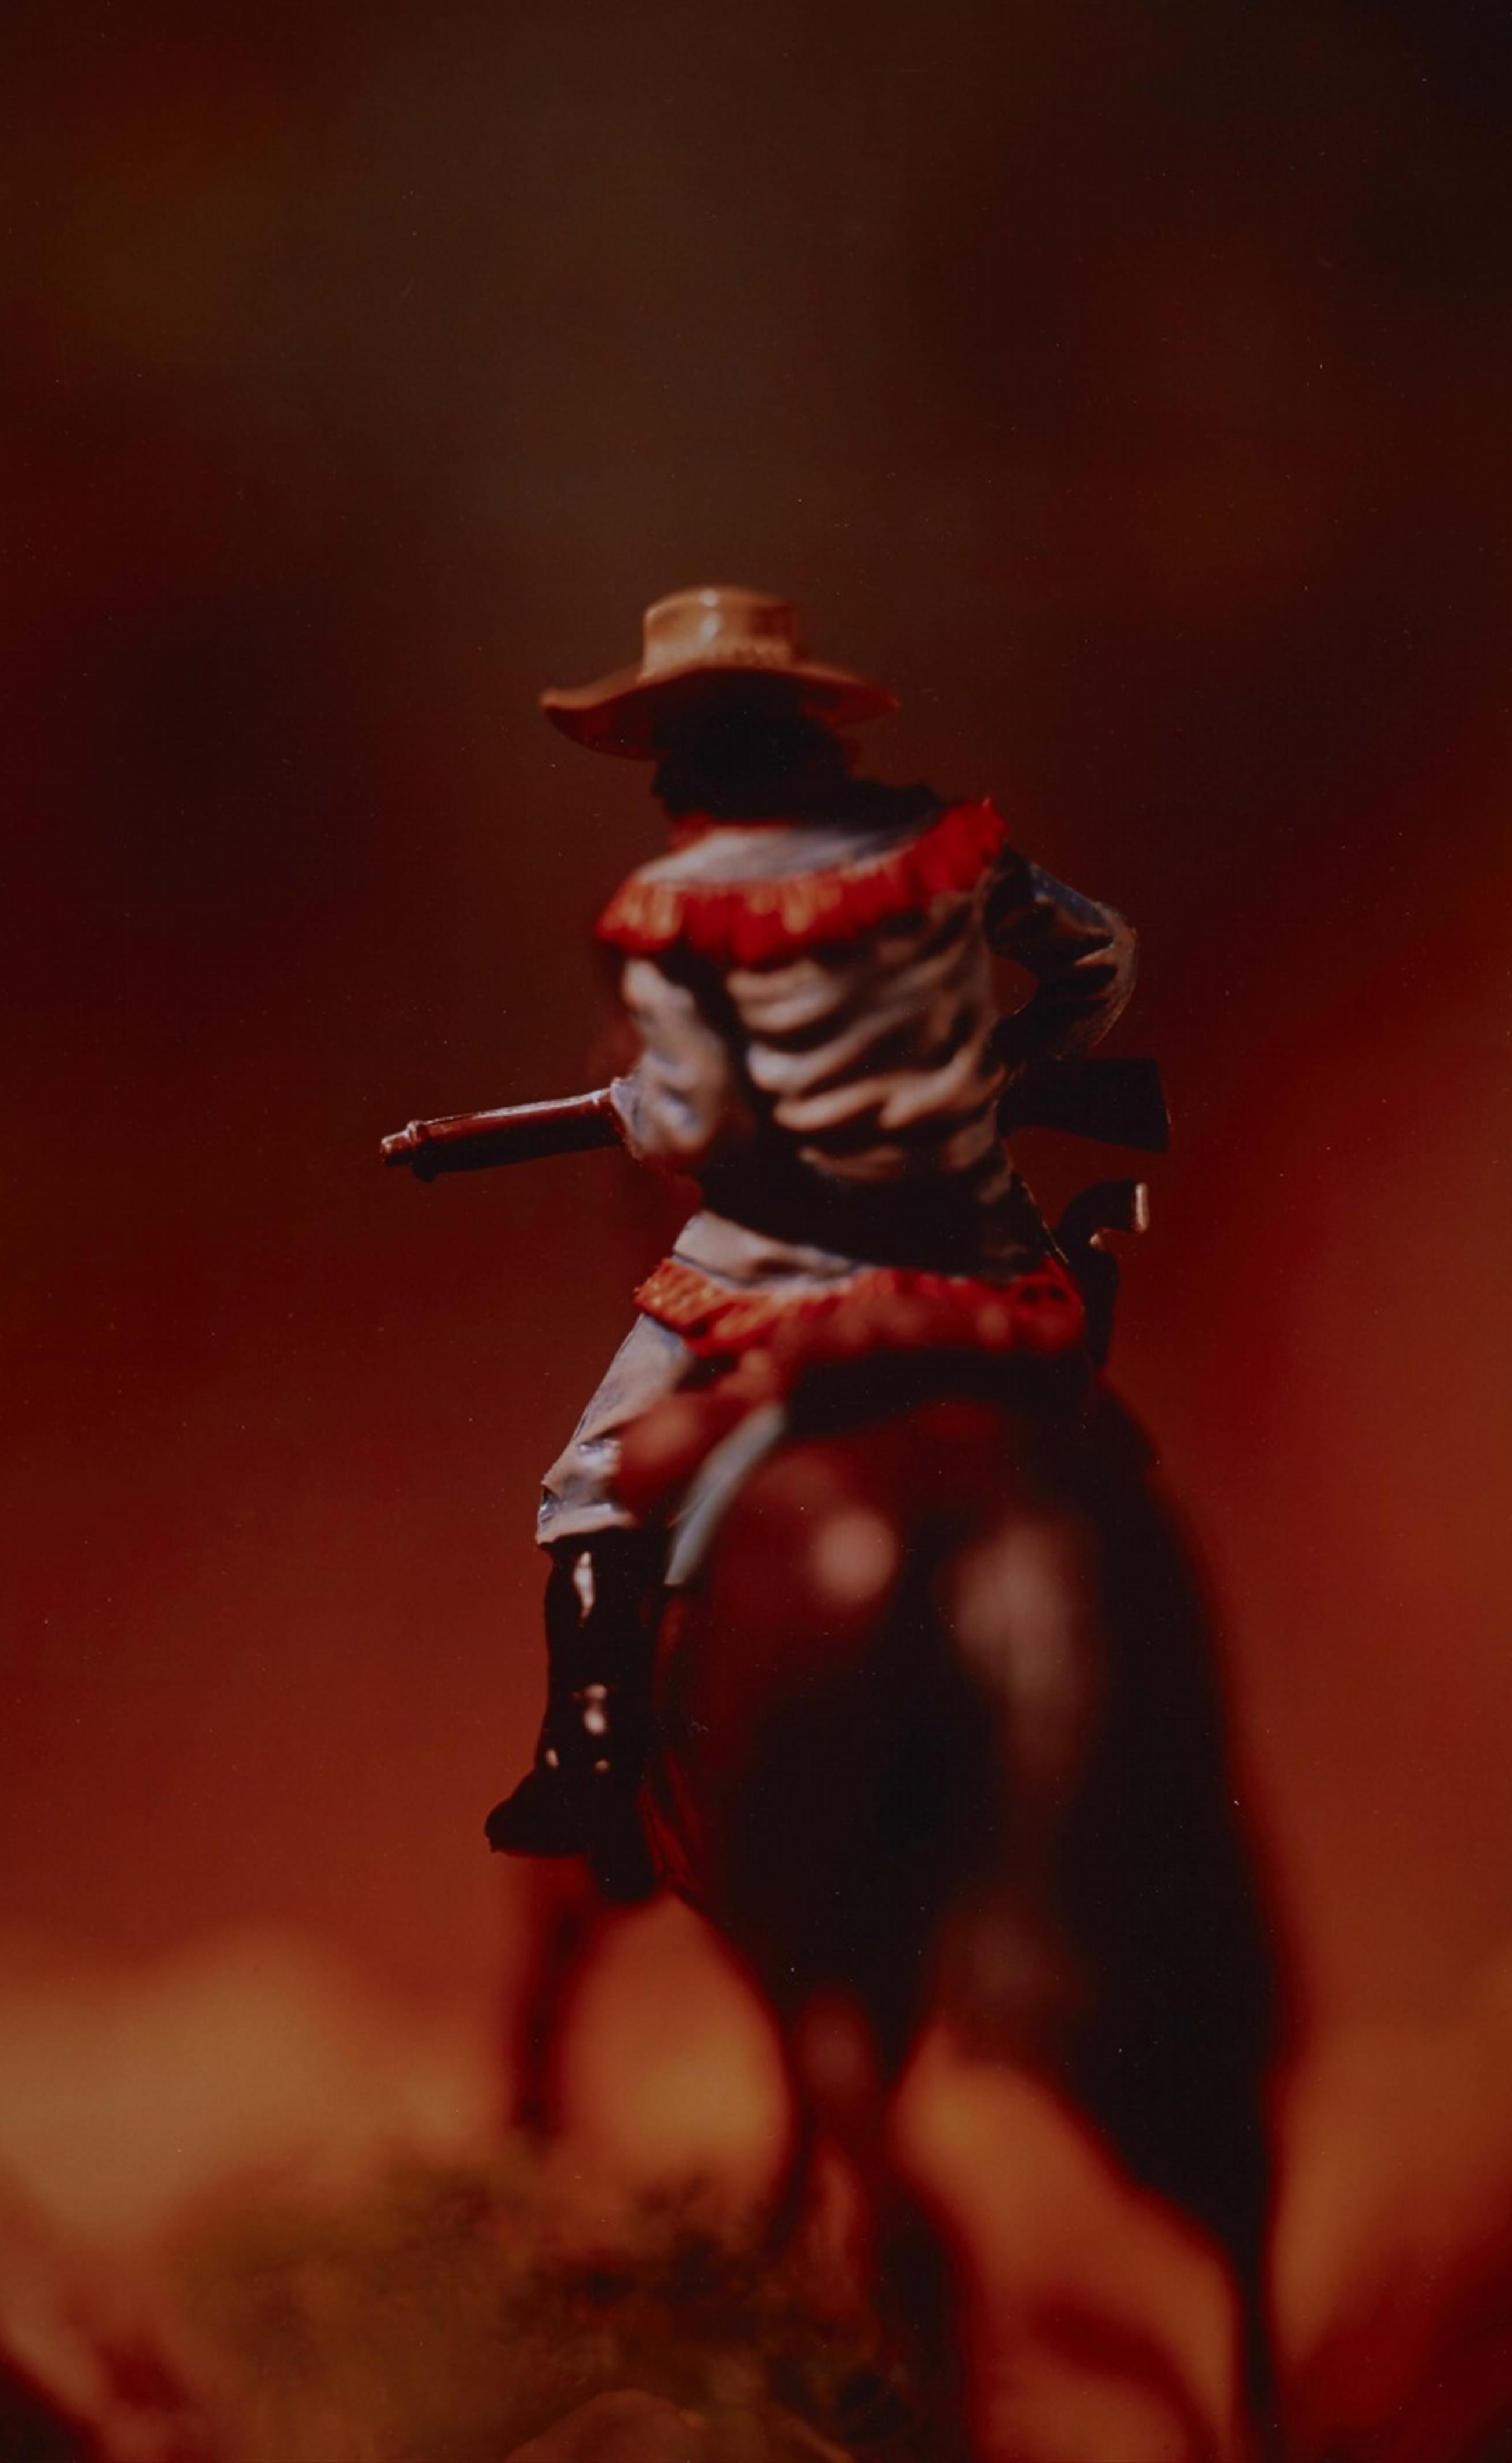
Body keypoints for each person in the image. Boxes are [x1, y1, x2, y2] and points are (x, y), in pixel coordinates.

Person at [487, 585, 1138, 1866]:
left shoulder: (673, 903)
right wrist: (1016, 1064)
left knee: (590, 1483)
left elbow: (689, 1119)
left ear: (686, 757)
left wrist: (628, 1105)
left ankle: (592, 1756)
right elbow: (1100, 954)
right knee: (1099, 1445)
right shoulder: (944, 842)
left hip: (772, 1265)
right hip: (976, 1250)